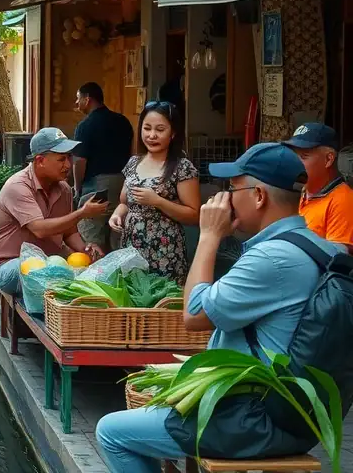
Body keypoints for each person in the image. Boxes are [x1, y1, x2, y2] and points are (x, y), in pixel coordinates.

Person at [95, 143, 342, 473]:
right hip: (289, 413)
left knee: (111, 432)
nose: (224, 197)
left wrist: (208, 235)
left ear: (259, 196)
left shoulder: (271, 258)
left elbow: (194, 315)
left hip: (250, 418)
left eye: (233, 187)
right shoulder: (316, 246)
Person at [0, 127, 107, 297]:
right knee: (40, 272)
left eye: (69, 157)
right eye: (61, 159)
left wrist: (86, 249)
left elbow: (69, 232)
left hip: (51, 265)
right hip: (9, 266)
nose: (68, 165)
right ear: (40, 160)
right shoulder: (18, 187)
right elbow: (40, 229)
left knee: (88, 271)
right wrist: (82, 213)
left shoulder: (64, 189)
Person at [109, 102, 200, 282]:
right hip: (131, 246)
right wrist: (116, 215)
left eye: (160, 129)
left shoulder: (182, 167)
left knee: (161, 301)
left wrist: (158, 201)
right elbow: (124, 202)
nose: (152, 135)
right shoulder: (133, 163)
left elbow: (194, 215)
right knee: (133, 297)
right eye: (147, 128)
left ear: (173, 133)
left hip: (165, 250)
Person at [72, 82, 134, 251]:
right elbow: (132, 153)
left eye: (78, 99)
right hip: (123, 184)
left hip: (97, 186)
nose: (76, 103)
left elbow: (79, 161)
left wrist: (77, 188)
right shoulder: (123, 121)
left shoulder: (85, 126)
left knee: (90, 235)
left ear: (88, 99)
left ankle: (93, 273)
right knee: (118, 232)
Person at [283, 122, 353, 247]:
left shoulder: (343, 201)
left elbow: (336, 260)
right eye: (294, 156)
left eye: (303, 157)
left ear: (328, 159)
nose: (294, 163)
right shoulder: (299, 191)